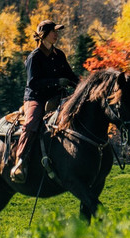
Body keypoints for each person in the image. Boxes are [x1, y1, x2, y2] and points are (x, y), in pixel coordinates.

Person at [10, 19, 80, 182]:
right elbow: (33, 83)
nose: (56, 34)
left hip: (57, 97)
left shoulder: (59, 55)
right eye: (53, 31)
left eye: (56, 31)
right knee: (31, 122)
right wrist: (56, 82)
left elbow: (70, 76)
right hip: (36, 98)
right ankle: (20, 162)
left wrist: (83, 87)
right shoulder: (34, 57)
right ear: (44, 35)